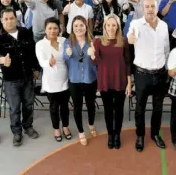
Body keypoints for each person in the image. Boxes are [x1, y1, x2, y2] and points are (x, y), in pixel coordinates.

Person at [0, 9, 40, 146]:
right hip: (11, 79)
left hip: (27, 76)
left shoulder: (25, 32)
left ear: (16, 18)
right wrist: (2, 60)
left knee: (29, 104)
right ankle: (17, 132)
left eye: (11, 18)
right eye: (6, 19)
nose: (9, 21)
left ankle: (28, 126)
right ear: (1, 20)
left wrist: (36, 68)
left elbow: (33, 52)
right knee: (14, 107)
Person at [127, 0, 170, 152]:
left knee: (158, 108)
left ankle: (155, 134)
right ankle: (140, 136)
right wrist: (131, 37)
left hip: (160, 73)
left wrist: (166, 70)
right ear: (143, 8)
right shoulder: (136, 24)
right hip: (142, 74)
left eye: (153, 6)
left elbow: (166, 49)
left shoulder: (164, 26)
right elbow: (130, 39)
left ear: (157, 8)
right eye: (147, 7)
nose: (150, 9)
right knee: (140, 108)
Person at [89, 14, 131, 149]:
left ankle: (117, 134)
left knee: (119, 110)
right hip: (105, 80)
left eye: (114, 25)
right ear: (104, 26)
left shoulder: (123, 41)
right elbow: (96, 62)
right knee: (108, 110)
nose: (111, 28)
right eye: (108, 25)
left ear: (118, 26)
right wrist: (92, 55)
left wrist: (130, 83)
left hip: (120, 80)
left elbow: (128, 62)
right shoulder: (98, 41)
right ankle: (110, 135)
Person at [35, 17, 71, 142]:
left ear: (59, 29)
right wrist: (48, 62)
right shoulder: (40, 44)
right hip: (50, 81)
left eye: (55, 28)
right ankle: (56, 128)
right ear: (45, 30)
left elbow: (69, 57)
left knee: (65, 106)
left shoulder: (64, 41)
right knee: (54, 107)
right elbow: (41, 62)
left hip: (65, 78)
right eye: (49, 28)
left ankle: (66, 127)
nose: (53, 31)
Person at [63, 16, 97, 146]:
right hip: (75, 80)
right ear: (72, 28)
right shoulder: (68, 42)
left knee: (90, 105)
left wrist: (93, 55)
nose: (79, 28)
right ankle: (81, 132)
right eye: (76, 26)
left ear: (86, 26)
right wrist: (68, 54)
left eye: (81, 25)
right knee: (77, 107)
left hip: (90, 79)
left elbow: (97, 61)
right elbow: (65, 58)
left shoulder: (93, 41)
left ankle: (91, 124)